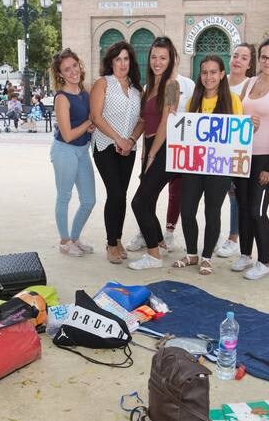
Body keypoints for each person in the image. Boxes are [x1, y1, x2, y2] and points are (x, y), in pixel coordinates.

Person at [231, 37, 269, 280]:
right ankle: (245, 254)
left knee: (257, 210)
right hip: (244, 155)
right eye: (264, 56)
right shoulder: (249, 84)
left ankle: (264, 261)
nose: (268, 61)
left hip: (267, 157)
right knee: (244, 207)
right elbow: (239, 116)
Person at [173, 55, 241, 275]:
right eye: (204, 72)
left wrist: (251, 125)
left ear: (222, 75)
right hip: (194, 166)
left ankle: (207, 257)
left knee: (212, 212)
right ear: (200, 75)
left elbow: (237, 135)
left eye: (214, 72)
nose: (209, 77)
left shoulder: (233, 100)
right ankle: (192, 253)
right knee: (188, 210)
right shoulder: (194, 100)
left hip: (219, 168)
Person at [126, 37, 184, 270]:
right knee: (147, 202)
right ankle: (159, 242)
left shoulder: (172, 85)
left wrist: (152, 155)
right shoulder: (150, 87)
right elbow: (144, 121)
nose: (157, 62)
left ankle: (153, 256)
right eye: (154, 57)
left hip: (165, 149)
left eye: (163, 57)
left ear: (170, 60)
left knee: (139, 203)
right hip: (150, 148)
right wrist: (140, 148)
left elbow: (166, 123)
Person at [89, 41, 144, 263]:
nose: (122, 63)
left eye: (126, 59)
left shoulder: (137, 88)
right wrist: (117, 138)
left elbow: (141, 120)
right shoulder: (103, 83)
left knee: (122, 195)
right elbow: (96, 116)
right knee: (115, 193)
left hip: (127, 149)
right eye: (118, 59)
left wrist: (130, 140)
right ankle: (111, 243)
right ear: (110, 62)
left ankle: (118, 238)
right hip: (105, 146)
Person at [50, 49, 97, 257]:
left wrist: (90, 126)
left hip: (83, 151)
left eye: (74, 66)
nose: (72, 72)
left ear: (80, 65)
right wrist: (89, 122)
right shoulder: (62, 98)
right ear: (60, 74)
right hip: (64, 151)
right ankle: (64, 241)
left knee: (89, 200)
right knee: (64, 197)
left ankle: (75, 237)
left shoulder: (85, 91)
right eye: (66, 69)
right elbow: (68, 134)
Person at [216, 43, 257, 258]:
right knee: (215, 192)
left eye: (244, 57)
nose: (237, 60)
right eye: (235, 55)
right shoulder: (219, 80)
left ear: (250, 64)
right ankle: (214, 235)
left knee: (234, 193)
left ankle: (233, 237)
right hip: (216, 146)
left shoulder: (251, 85)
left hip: (236, 148)